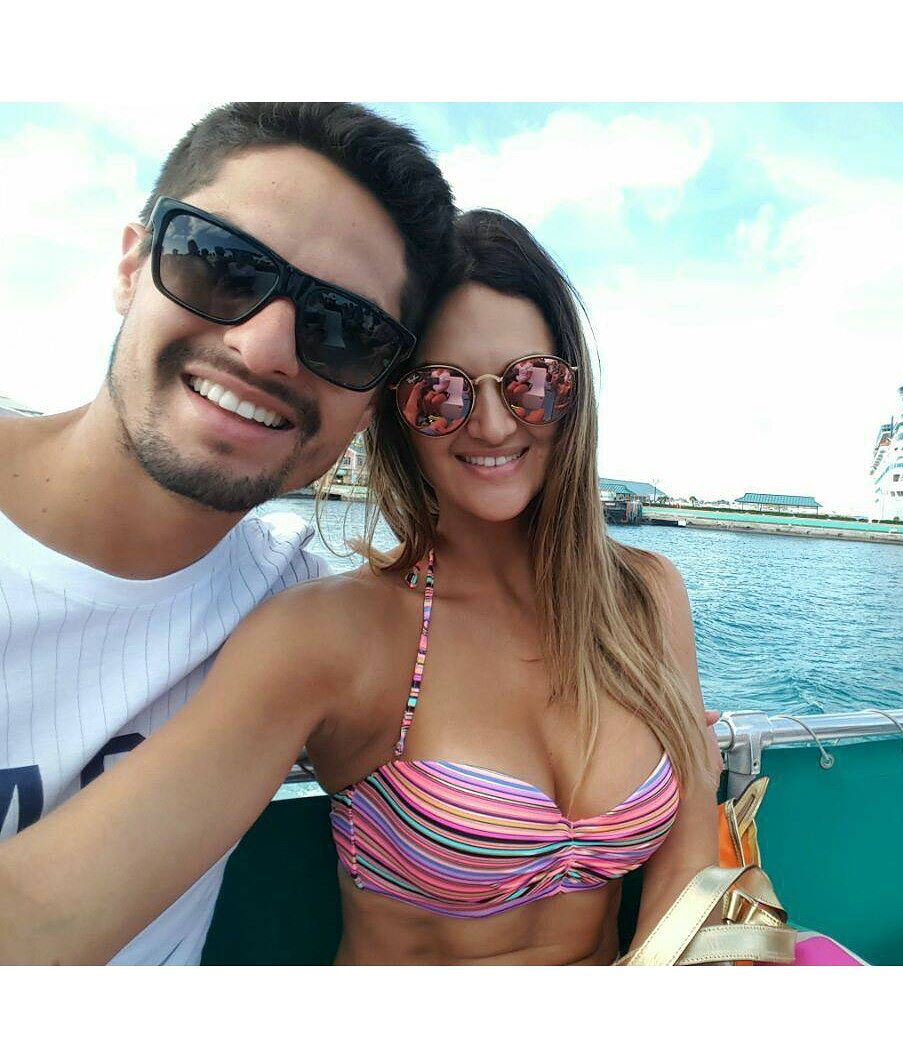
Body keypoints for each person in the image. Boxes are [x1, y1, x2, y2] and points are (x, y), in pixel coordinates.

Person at [0, 209, 720, 965]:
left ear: (571, 392)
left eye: (530, 383)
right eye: (440, 393)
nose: (492, 425)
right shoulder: (332, 633)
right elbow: (48, 911)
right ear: (393, 414)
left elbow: (688, 864)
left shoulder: (645, 596)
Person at [0, 101, 456, 964]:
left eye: (345, 331)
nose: (265, 347)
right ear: (132, 265)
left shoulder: (295, 599)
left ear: (372, 404)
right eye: (222, 265)